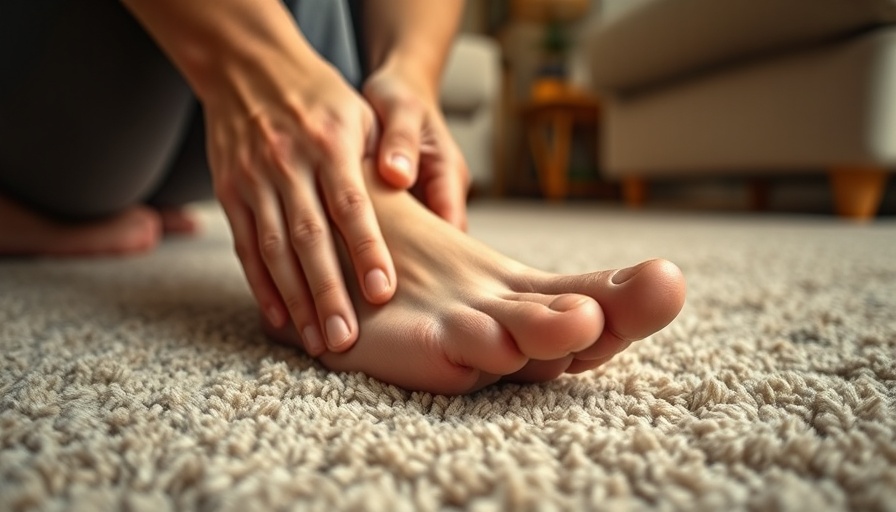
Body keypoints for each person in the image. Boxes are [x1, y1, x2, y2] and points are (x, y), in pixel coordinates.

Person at [0, 0, 686, 395]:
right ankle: (352, 193)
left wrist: (408, 79)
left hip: (165, 140)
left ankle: (348, 181)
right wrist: (258, 70)